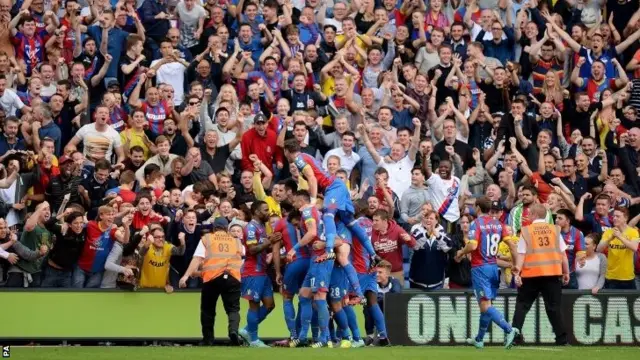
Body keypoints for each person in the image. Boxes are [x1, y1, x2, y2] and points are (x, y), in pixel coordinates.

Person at [455, 196, 517, 349]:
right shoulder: (500, 224)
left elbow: (473, 245)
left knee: (485, 305)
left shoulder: (476, 224)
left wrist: (461, 253)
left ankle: (509, 330)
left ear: (477, 207)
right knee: (486, 304)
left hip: (480, 268)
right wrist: (515, 264)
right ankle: (479, 339)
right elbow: (512, 246)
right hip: (493, 268)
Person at [510, 203, 569, 346]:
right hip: (552, 274)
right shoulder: (555, 230)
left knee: (522, 306)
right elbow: (563, 255)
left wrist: (517, 271)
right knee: (554, 308)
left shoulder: (526, 231)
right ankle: (562, 340)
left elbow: (521, 254)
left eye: (529, 213)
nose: (527, 216)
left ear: (535, 215)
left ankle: (515, 337)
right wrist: (566, 272)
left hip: (531, 275)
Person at [179, 217, 244, 346]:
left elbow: (197, 259)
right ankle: (233, 331)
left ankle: (208, 339)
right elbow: (240, 261)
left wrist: (185, 276)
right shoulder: (237, 242)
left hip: (212, 278)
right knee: (233, 309)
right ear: (227, 228)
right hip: (233, 278)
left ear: (214, 228)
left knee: (208, 309)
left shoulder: (207, 239)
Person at [238, 200, 280, 347]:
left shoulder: (262, 227)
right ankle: (254, 339)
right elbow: (252, 250)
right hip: (252, 272)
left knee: (270, 305)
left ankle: (247, 330)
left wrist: (274, 244)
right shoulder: (250, 227)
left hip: (262, 272)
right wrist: (269, 242)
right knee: (254, 305)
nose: (268, 212)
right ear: (256, 212)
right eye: (265, 210)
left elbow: (263, 247)